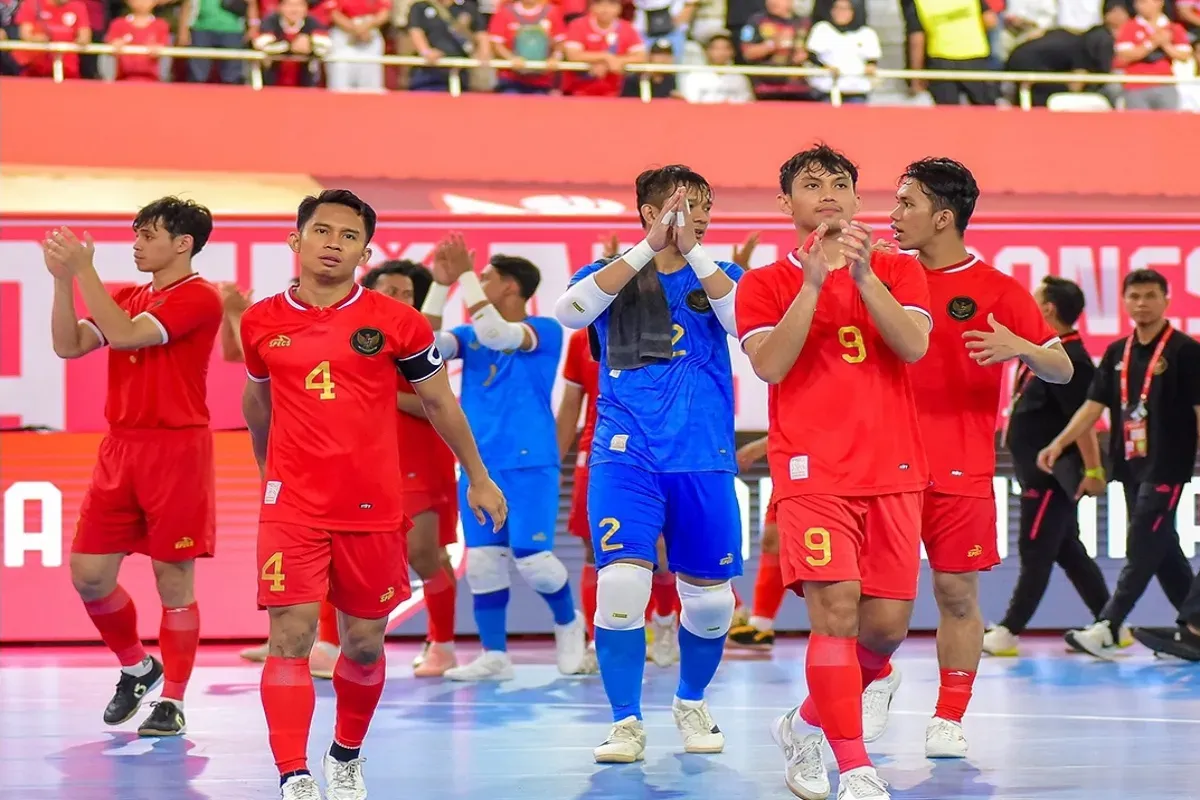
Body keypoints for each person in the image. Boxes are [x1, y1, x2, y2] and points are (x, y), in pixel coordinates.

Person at [240, 190, 505, 800]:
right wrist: (266, 465)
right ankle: (293, 774)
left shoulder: (397, 322)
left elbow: (439, 401)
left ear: (364, 250)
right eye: (322, 231)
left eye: (348, 235)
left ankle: (345, 754)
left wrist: (480, 475)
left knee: (363, 642)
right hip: (294, 505)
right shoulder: (261, 320)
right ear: (296, 240)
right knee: (291, 637)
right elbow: (257, 401)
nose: (333, 243)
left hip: (373, 505)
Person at [735, 144, 932, 800]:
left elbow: (912, 345)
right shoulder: (763, 284)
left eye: (840, 183)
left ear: (855, 198)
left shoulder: (900, 271)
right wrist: (815, 280)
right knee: (836, 615)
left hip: (895, 469)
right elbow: (770, 366)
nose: (828, 192)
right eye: (811, 184)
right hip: (813, 473)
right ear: (786, 203)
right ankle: (856, 768)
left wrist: (864, 275)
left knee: (885, 631)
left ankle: (806, 723)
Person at [867, 157, 1073, 761]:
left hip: (961, 466)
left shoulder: (1000, 290)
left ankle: (949, 717)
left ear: (943, 216)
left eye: (907, 203)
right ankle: (877, 677)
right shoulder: (881, 273)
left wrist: (1023, 347)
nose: (893, 214)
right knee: (875, 601)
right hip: (884, 463)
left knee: (956, 593)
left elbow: (1062, 368)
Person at [554, 166, 744, 764]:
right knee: (621, 584)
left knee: (712, 601)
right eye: (685, 206)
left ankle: (691, 699)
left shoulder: (723, 276)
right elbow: (571, 312)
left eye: (706, 205)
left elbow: (744, 323)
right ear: (647, 211)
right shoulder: (607, 276)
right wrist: (649, 249)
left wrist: (694, 253)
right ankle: (625, 721)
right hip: (624, 453)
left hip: (702, 453)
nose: (699, 215)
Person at [44, 198, 222, 737]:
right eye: (137, 233)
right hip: (120, 448)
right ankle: (138, 668)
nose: (137, 243)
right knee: (90, 575)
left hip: (177, 452)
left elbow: (124, 335)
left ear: (183, 243)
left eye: (148, 234)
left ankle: (173, 699)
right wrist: (61, 281)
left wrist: (84, 269)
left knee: (173, 580)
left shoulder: (201, 297)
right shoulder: (130, 296)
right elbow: (69, 344)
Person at [420, 235, 588, 681]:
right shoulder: (468, 337)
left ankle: (570, 626)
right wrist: (440, 285)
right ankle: (495, 655)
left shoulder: (545, 331)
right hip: (480, 467)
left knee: (533, 559)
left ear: (510, 287)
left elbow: (498, 333)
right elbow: (422, 345)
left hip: (530, 463)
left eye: (487, 278)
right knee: (483, 561)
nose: (477, 284)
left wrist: (465, 276)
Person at [1039, 269, 1200, 660]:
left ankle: (1109, 626)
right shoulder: (1116, 353)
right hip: (1130, 466)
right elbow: (1092, 407)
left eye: (1150, 295)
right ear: (1124, 302)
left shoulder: (1184, 350)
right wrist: (1058, 443)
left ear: (1166, 300)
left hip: (1169, 465)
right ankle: (1194, 630)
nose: (1142, 303)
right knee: (1162, 550)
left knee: (1143, 540)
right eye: (1134, 296)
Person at [985, 276, 1113, 656]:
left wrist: (1093, 471)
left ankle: (1009, 630)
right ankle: (1112, 623)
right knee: (1068, 551)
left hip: (1050, 478)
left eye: (1034, 299)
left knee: (1035, 549)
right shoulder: (1045, 353)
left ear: (1048, 309)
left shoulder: (1071, 360)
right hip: (1037, 474)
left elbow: (1084, 419)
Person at [362, 260, 462, 677]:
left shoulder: (417, 339)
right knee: (353, 558)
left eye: (407, 293)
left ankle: (443, 644)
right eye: (392, 291)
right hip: (368, 461)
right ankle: (332, 645)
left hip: (420, 457)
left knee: (424, 554)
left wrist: (379, 395)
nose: (402, 300)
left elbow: (436, 403)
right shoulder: (354, 339)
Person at [725, 435, 787, 653]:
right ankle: (760, 626)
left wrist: (761, 446)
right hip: (792, 462)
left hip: (827, 459)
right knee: (773, 540)